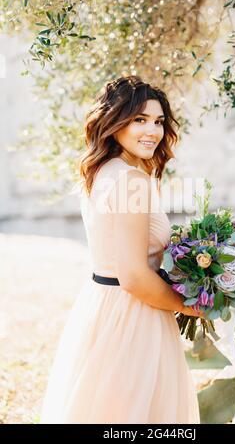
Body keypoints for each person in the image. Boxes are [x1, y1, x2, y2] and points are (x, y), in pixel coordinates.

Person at [39, 75, 202, 424]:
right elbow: (132, 276)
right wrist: (190, 307)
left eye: (158, 122)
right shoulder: (131, 180)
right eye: (139, 120)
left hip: (102, 306)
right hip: (133, 315)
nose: (153, 131)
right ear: (114, 122)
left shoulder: (101, 171)